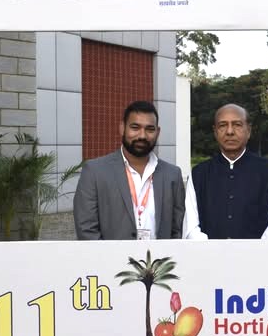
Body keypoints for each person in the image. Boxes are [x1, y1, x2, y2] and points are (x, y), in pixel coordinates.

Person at [73, 101, 185, 240]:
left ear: (157, 132)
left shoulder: (172, 175)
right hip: (110, 254)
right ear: (122, 128)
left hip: (158, 254)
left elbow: (177, 229)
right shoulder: (95, 172)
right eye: (135, 127)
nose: (142, 136)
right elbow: (86, 230)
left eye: (150, 129)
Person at [184, 103, 268, 239]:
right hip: (209, 251)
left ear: (248, 130)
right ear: (215, 131)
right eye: (223, 125)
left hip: (259, 251)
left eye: (237, 125)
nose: (230, 131)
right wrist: (211, 249)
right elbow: (191, 225)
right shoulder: (199, 174)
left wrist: (258, 249)